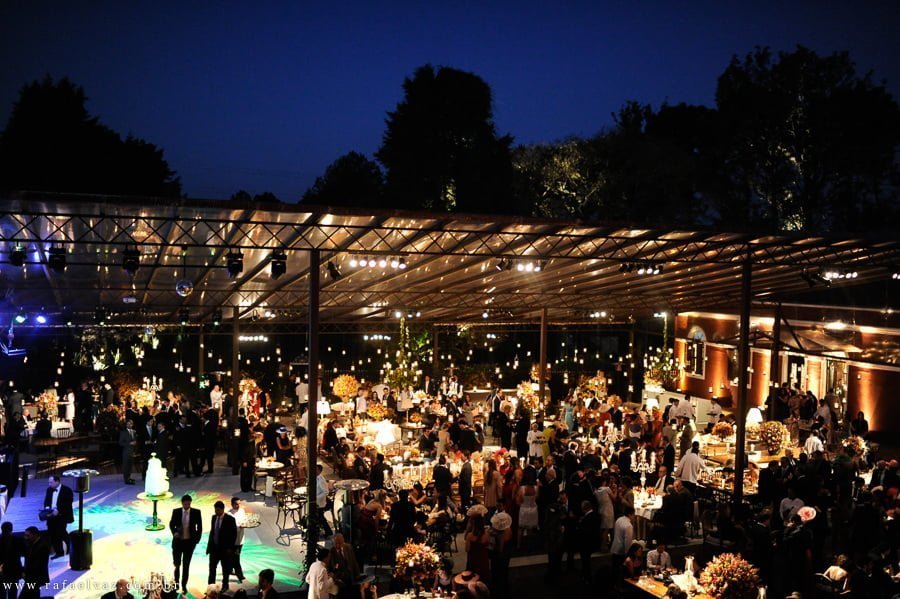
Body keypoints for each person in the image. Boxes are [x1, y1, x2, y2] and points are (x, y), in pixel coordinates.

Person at [170, 494, 203, 594]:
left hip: (189, 544)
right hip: (178, 543)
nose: (187, 506)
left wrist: (196, 541)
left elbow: (200, 528)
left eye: (188, 504)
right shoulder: (176, 512)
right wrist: (174, 532)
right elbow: (171, 524)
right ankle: (176, 585)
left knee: (186, 566)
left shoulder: (196, 512)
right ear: (182, 503)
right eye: (185, 504)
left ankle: (184, 586)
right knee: (177, 565)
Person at [206, 500, 237, 592]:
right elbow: (213, 532)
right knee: (212, 569)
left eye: (218, 510)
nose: (216, 512)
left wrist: (230, 548)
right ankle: (210, 586)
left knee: (225, 569)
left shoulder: (230, 520)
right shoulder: (214, 517)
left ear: (222, 509)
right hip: (214, 548)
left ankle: (225, 585)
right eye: (215, 510)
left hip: (224, 550)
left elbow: (233, 535)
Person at [43, 474, 73, 558]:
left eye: (51, 482)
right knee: (53, 534)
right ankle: (59, 552)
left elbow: (67, 504)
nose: (49, 484)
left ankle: (71, 548)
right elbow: (46, 501)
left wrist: (58, 510)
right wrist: (47, 509)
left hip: (62, 516)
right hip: (51, 515)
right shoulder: (49, 490)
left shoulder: (67, 490)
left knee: (61, 532)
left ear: (57, 481)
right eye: (49, 482)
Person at [610, 507, 635, 589]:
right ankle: (621, 588)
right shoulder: (628, 525)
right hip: (622, 551)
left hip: (614, 548)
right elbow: (627, 542)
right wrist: (628, 554)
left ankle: (614, 586)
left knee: (614, 570)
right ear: (630, 514)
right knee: (622, 572)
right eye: (633, 515)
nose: (634, 516)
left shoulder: (619, 519)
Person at [577, 500, 602, 584]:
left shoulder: (586, 519)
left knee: (585, 561)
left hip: (586, 543)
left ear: (584, 508)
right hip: (595, 541)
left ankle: (587, 577)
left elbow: (584, 532)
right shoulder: (597, 515)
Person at [20, 527, 49, 599]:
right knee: (34, 595)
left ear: (35, 535)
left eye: (28, 535)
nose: (25, 537)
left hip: (35, 577)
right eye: (25, 535)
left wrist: (26, 574)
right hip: (31, 577)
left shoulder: (42, 546)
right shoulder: (31, 544)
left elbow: (39, 564)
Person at [0, 521, 24, 599]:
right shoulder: (18, 540)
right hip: (8, 571)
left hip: (12, 571)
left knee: (11, 592)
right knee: (9, 592)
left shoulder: (18, 540)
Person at [228, 497, 247, 583]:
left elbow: (244, 520)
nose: (238, 505)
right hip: (233, 540)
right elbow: (232, 526)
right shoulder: (229, 514)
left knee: (234, 556)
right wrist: (239, 526)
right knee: (236, 557)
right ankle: (240, 575)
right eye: (236, 504)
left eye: (239, 504)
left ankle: (229, 569)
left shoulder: (242, 511)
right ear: (232, 504)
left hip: (241, 538)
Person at [313, 464, 333, 537]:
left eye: (316, 469)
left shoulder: (321, 480)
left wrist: (317, 497)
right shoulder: (315, 478)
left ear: (319, 471)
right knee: (319, 517)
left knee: (320, 517)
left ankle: (328, 532)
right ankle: (322, 530)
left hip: (321, 503)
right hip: (317, 501)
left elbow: (326, 492)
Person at [119, 419, 138, 484]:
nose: (130, 425)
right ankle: (126, 480)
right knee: (126, 466)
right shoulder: (123, 432)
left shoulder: (134, 431)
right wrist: (129, 443)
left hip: (132, 452)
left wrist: (135, 450)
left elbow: (135, 441)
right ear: (126, 424)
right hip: (126, 452)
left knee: (130, 466)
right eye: (129, 423)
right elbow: (120, 443)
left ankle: (129, 478)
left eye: (131, 423)